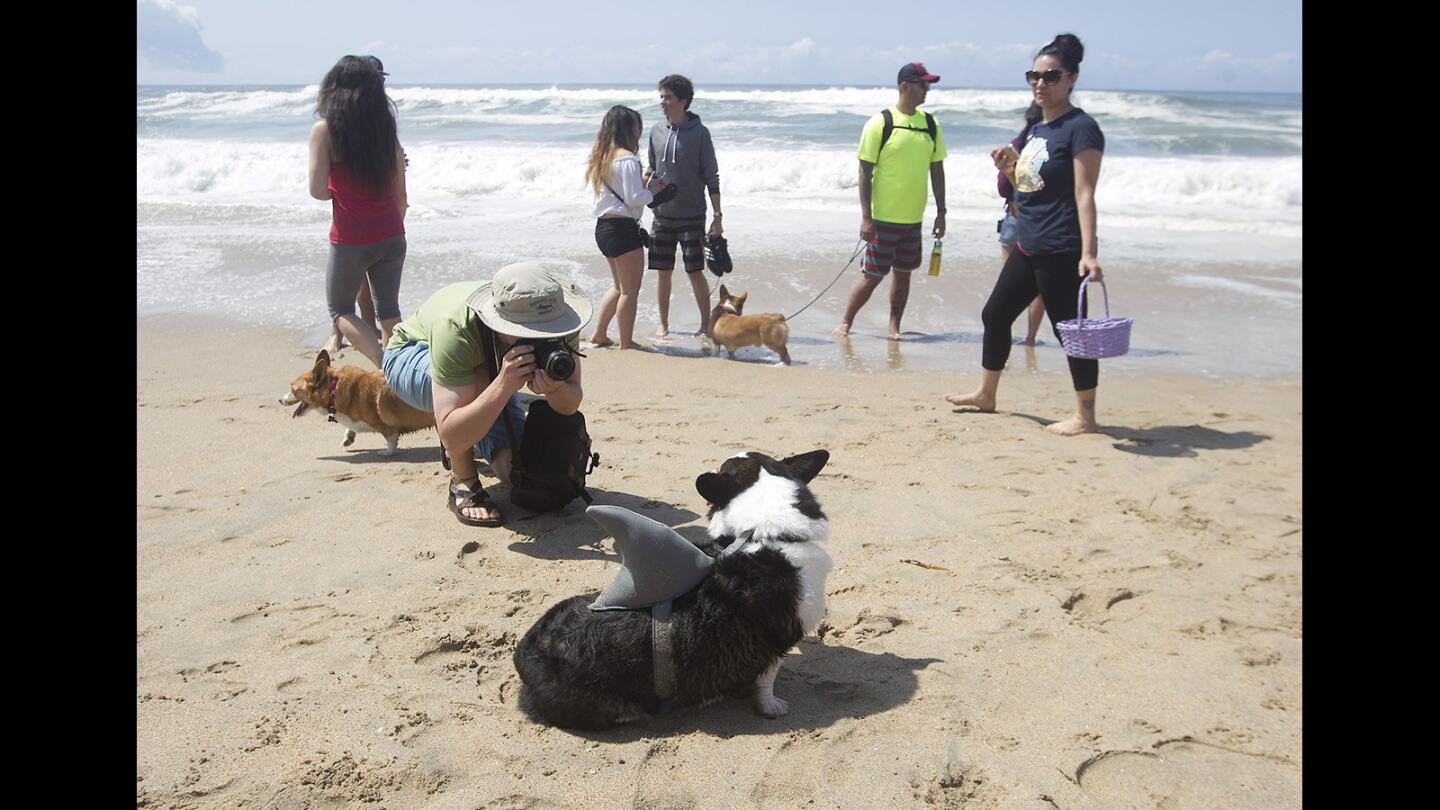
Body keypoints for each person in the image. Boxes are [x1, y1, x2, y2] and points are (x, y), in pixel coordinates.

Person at [944, 34, 1106, 436]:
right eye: (1034, 75)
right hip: (1028, 243)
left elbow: (1085, 193)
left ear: (1072, 78)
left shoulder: (1081, 128)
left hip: (1061, 246)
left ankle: (1085, 417)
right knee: (995, 315)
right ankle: (986, 394)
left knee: (1071, 332)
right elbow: (1030, 186)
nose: (1040, 83)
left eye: (1051, 76)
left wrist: (1088, 252)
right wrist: (1008, 168)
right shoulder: (1036, 129)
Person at [382, 263, 590, 527]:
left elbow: (570, 405)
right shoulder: (457, 327)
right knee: (481, 377)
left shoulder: (558, 318)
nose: (542, 337)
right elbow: (453, 438)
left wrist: (555, 388)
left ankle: (476, 412)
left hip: (489, 371)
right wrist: (503, 384)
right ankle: (463, 480)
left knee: (518, 471)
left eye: (548, 330)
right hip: (409, 353)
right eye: (530, 333)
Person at [833, 62, 948, 341]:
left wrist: (941, 212)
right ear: (905, 86)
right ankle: (846, 321)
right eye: (923, 85)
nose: (927, 90)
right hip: (882, 219)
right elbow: (864, 171)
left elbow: (937, 169)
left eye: (928, 85)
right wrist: (866, 217)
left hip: (913, 219)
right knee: (872, 275)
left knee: (904, 274)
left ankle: (894, 325)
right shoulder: (881, 123)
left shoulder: (930, 125)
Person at [308, 54, 408, 369]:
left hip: (351, 237)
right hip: (392, 233)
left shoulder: (324, 131)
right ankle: (402, 373)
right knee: (389, 312)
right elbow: (400, 192)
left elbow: (318, 190)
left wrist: (342, 190)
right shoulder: (386, 128)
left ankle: (383, 363)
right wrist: (391, 224)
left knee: (340, 310)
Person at [586, 105, 668, 350]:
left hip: (603, 228)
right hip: (623, 230)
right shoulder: (629, 159)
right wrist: (652, 190)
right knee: (630, 291)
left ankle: (599, 334)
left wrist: (643, 186)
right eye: (637, 126)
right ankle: (626, 342)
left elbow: (621, 192)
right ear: (629, 128)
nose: (639, 131)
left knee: (618, 286)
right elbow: (635, 198)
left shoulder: (602, 157)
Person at [646, 74, 722, 338]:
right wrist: (650, 183)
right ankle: (663, 324)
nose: (663, 103)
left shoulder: (700, 134)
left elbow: (711, 175)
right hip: (662, 215)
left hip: (692, 214)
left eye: (668, 98)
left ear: (683, 101)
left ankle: (705, 324)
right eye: (661, 97)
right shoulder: (656, 131)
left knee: (694, 271)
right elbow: (651, 168)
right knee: (663, 272)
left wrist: (717, 216)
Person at [998, 103, 1047, 346]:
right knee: (1037, 287)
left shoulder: (1016, 145)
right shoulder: (1049, 148)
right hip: (1042, 223)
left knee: (1010, 284)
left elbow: (1002, 188)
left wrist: (1007, 172)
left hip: (1016, 217)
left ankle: (1003, 330)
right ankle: (1030, 338)